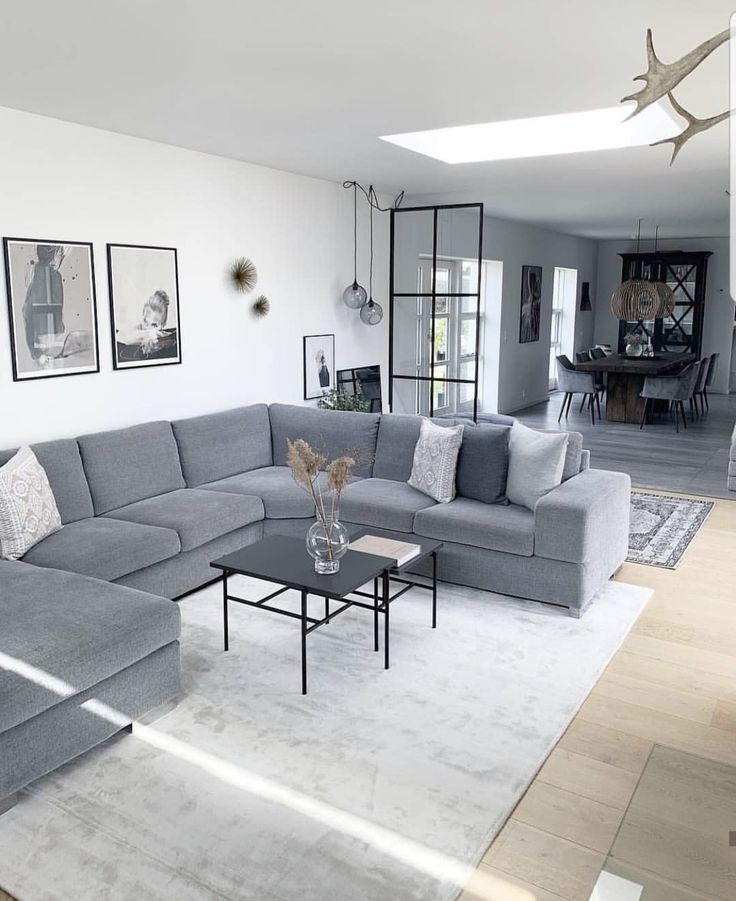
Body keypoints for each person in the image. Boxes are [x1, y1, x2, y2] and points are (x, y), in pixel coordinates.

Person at [22, 244, 64, 362]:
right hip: (46, 339)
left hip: (49, 340)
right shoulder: (46, 275)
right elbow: (28, 311)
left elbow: (27, 311)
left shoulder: (51, 275)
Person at [116, 290, 177, 361]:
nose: (147, 327)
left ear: (162, 325)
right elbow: (122, 336)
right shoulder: (136, 328)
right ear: (143, 317)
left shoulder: (162, 336)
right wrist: (149, 334)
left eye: (154, 325)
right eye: (145, 321)